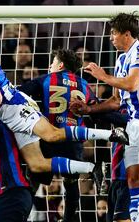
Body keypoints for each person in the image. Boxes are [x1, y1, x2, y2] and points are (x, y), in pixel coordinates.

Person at [0, 27, 128, 181]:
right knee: (37, 164)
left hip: (17, 109)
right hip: (6, 116)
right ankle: (93, 168)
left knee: (52, 135)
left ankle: (111, 134)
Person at [70, 12, 139, 222]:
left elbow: (132, 84)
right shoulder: (122, 59)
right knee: (132, 180)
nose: (111, 38)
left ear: (126, 34)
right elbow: (116, 101)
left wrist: (103, 76)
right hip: (133, 126)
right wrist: (89, 110)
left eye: (114, 33)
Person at [18, 48, 101, 222]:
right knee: (71, 183)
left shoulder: (46, 79)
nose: (50, 66)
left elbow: (21, 93)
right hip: (72, 139)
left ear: (60, 65)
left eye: (53, 62)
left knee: (33, 177)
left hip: (49, 136)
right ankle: (69, 219)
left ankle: (20, 214)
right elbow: (99, 112)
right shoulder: (84, 85)